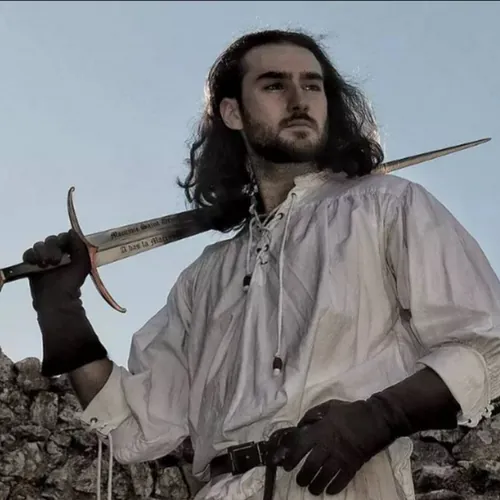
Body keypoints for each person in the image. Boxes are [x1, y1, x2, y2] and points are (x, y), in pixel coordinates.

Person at [22, 29, 500, 500]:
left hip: (339, 483)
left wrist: (379, 418)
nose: (299, 99)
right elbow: (135, 425)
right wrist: (60, 310)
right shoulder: (205, 277)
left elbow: (486, 344)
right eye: (274, 85)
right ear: (232, 112)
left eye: (312, 85)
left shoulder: (388, 206)